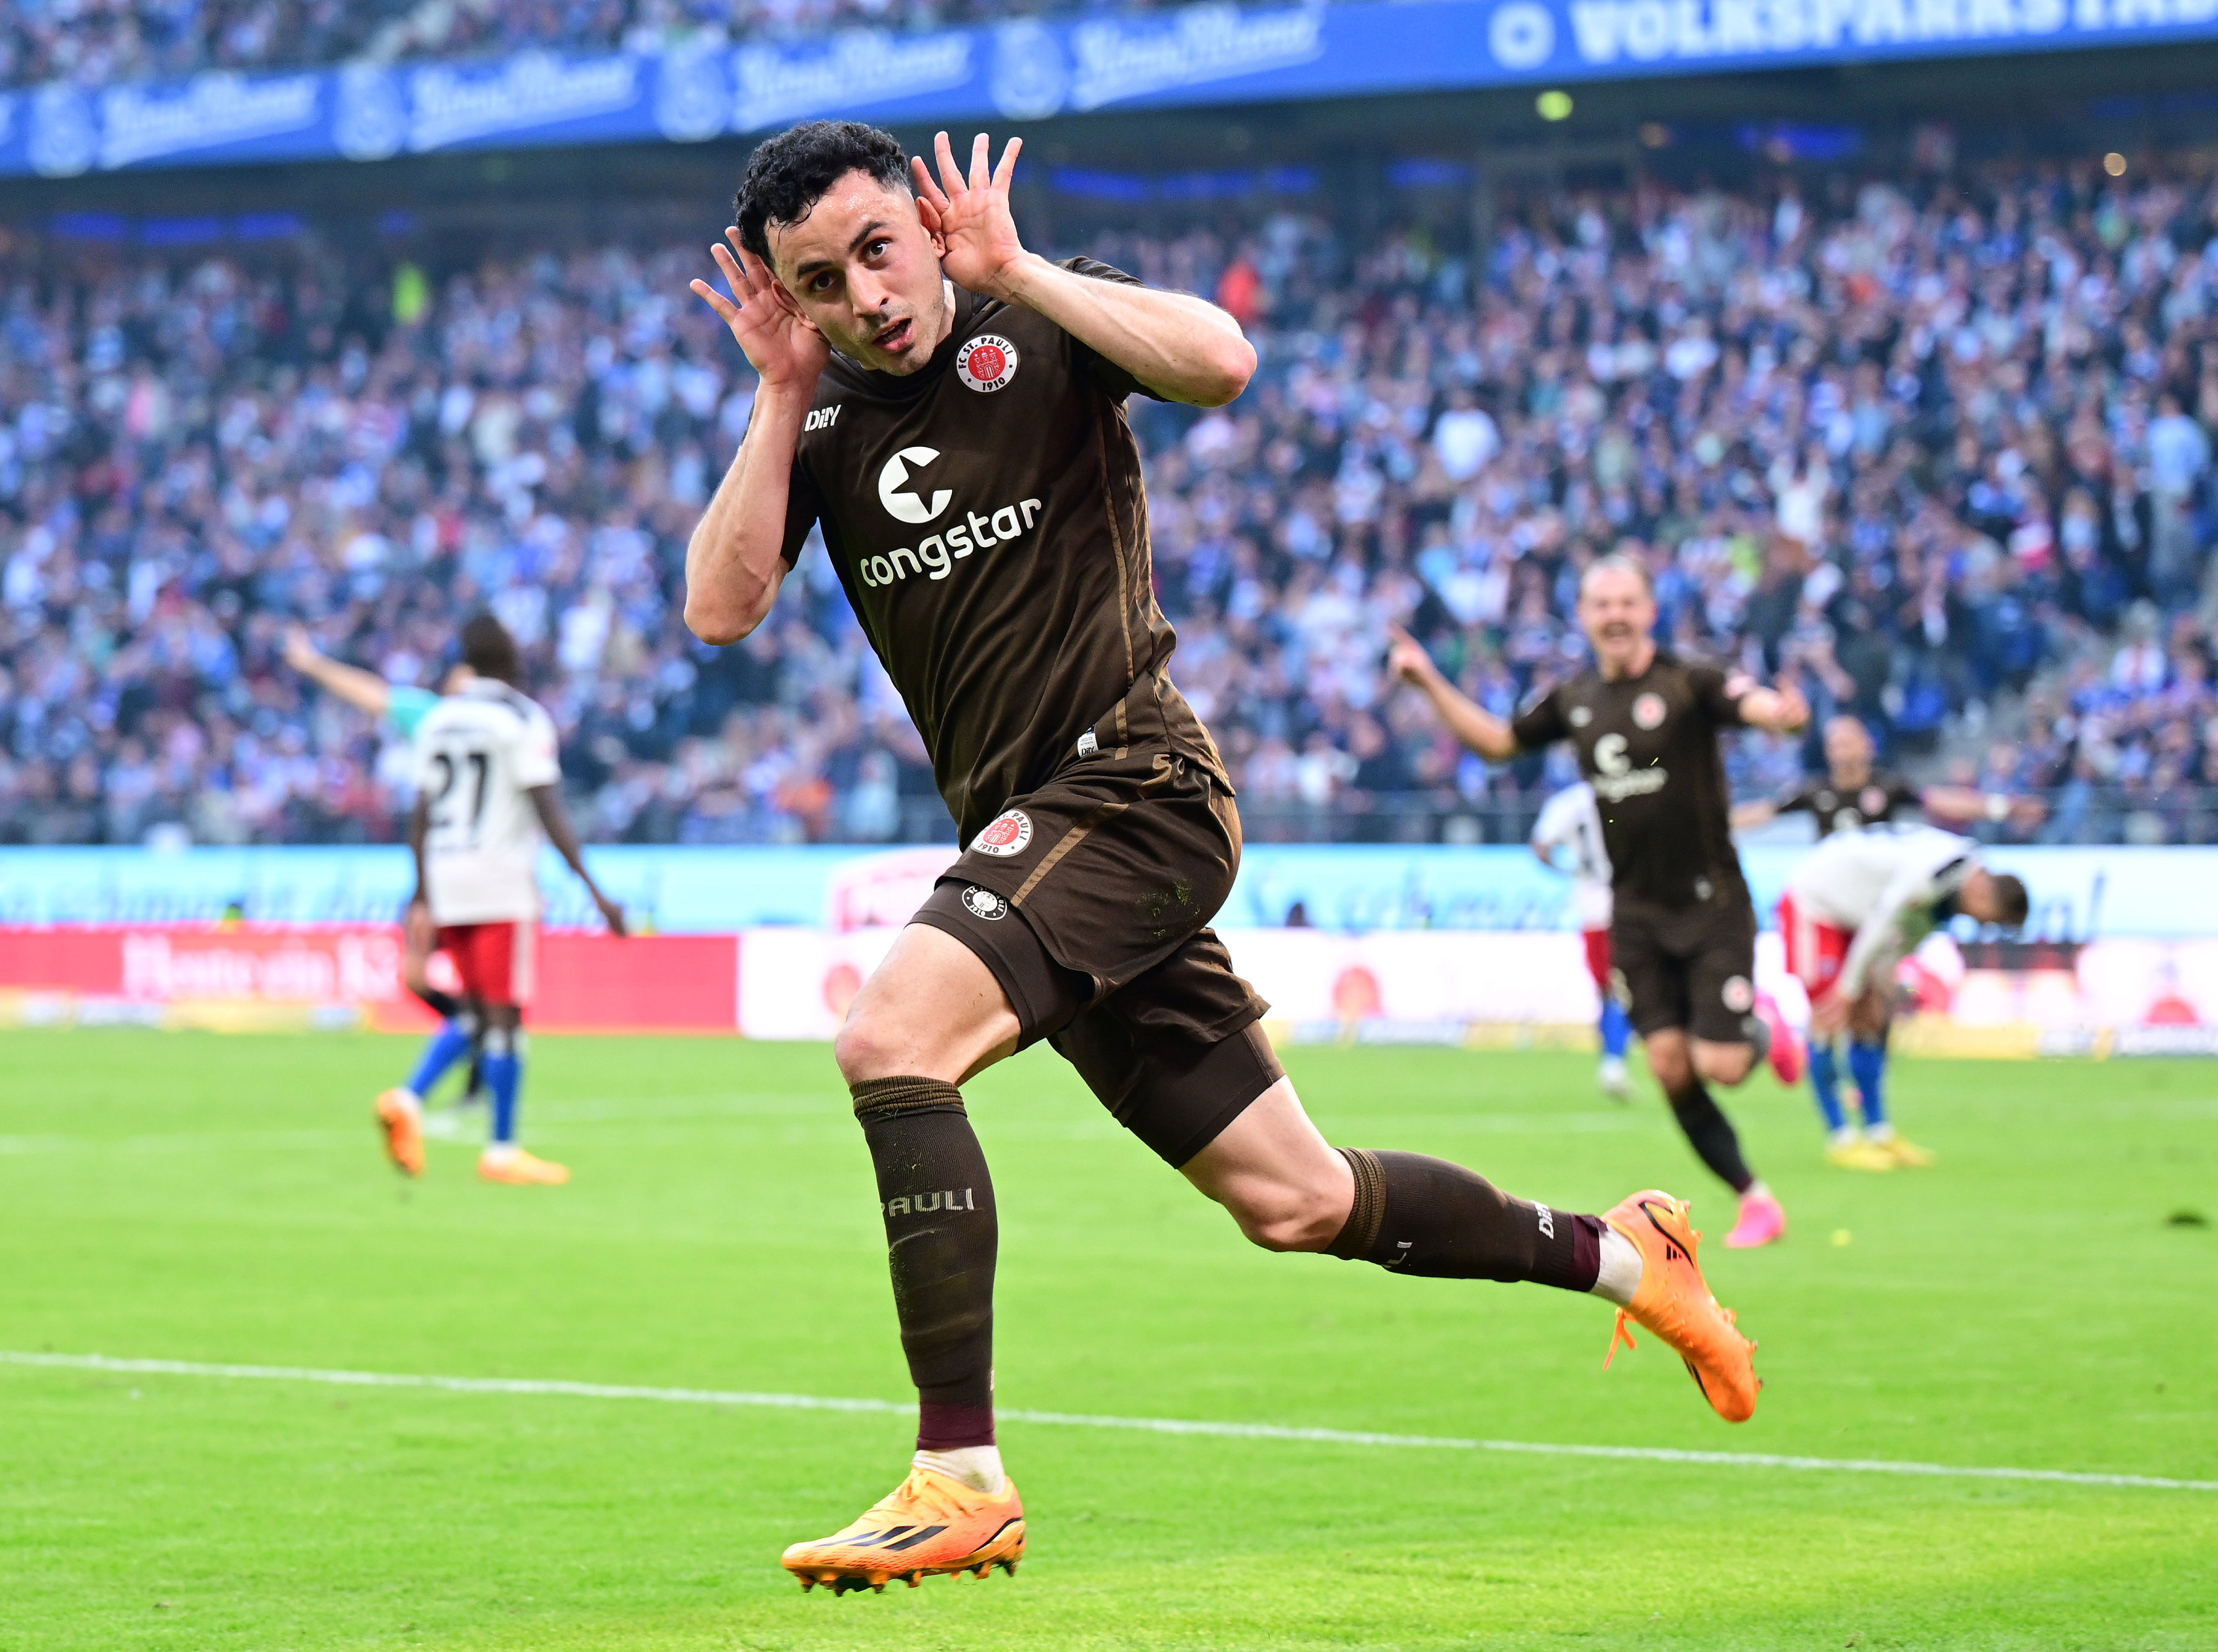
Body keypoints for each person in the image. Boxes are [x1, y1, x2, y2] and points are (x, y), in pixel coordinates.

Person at [686, 120, 1762, 1596]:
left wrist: (1029, 271)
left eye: (878, 250)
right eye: (819, 281)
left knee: (890, 1034)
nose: (863, 295)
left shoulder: (1034, 319)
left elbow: (1220, 360)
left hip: (1135, 788)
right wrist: (775, 391)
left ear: (929, 231)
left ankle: (957, 1470)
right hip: (1038, 850)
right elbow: (720, 607)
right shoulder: (815, 420)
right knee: (1298, 1199)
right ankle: (1633, 1256)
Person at [1391, 556, 1809, 1252]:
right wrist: (1427, 680)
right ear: (1583, 616)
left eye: (1626, 602)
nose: (1613, 615)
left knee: (1722, 1066)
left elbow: (1754, 704)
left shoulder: (1687, 680)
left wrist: (1783, 717)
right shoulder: (1574, 697)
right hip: (1634, 914)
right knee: (1671, 1068)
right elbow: (1497, 742)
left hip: (1710, 905)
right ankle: (1755, 1199)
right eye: (1599, 604)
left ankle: (1762, 1027)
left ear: (1649, 610)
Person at [374, 614, 628, 1186]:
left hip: (445, 879)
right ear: (510, 658)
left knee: (472, 1010)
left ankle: (411, 1100)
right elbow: (548, 807)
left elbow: (418, 816)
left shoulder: (439, 720)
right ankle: (500, 1148)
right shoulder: (520, 717)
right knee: (505, 1018)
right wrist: (595, 890)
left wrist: (421, 894)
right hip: (499, 881)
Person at [285, 626, 487, 1121]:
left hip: (480, 872)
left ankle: (443, 1080)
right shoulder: (430, 720)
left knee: (479, 986)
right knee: (415, 978)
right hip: (437, 870)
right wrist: (313, 665)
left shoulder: (500, 730)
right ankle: (473, 1040)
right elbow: (371, 694)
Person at [1780, 826, 2028, 1169]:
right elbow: (1885, 918)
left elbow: (1910, 931)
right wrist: (1849, 987)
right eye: (1988, 919)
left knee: (1871, 1018)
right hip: (1816, 901)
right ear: (1983, 893)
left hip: (1857, 917)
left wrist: (1884, 973)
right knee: (1829, 1014)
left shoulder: (1959, 881)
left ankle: (1878, 1132)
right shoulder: (1929, 877)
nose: (1981, 924)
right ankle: (1841, 1139)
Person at [1729, 714, 2026, 837]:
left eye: (1847, 742)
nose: (1840, 751)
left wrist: (2000, 807)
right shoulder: (1813, 791)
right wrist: (1715, 824)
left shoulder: (1888, 786)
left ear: (1867, 746)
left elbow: (1942, 802)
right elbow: (1765, 811)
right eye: (1834, 744)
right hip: (1832, 889)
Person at [1529, 780, 1632, 1098]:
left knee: (1607, 989)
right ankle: (1613, 1062)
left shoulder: (1568, 803)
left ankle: (1612, 1063)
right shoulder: (1630, 789)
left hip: (1591, 903)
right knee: (1626, 986)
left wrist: (1570, 872)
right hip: (1630, 897)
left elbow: (1540, 846)